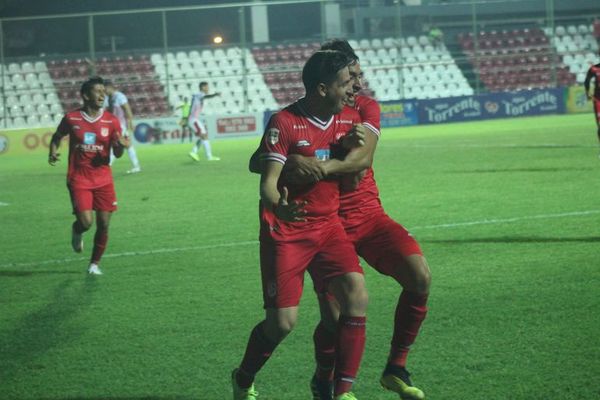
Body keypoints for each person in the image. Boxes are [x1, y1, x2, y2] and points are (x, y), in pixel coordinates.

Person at [250, 39, 431, 400]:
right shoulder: (300, 115)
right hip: (326, 223)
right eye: (352, 75)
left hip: (367, 216)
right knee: (333, 320)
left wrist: (317, 167)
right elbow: (260, 161)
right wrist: (289, 164)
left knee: (420, 276)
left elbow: (361, 161)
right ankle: (324, 380)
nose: (358, 84)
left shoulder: (363, 109)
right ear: (331, 79)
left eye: (358, 75)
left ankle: (395, 367)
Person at [232, 50, 369, 400]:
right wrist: (280, 209)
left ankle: (343, 392)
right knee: (282, 324)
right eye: (345, 83)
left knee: (355, 296)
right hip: (287, 233)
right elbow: (266, 182)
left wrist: (353, 161)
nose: (353, 89)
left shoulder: (348, 120)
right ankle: (243, 377)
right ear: (322, 89)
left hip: (328, 227)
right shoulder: (285, 121)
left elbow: (354, 176)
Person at [48, 76, 130, 275]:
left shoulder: (111, 121)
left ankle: (94, 264)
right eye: (98, 91)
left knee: (103, 224)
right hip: (79, 178)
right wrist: (52, 150)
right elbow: (57, 136)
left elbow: (117, 153)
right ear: (85, 95)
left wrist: (121, 147)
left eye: (104, 91)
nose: (102, 94)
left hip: (103, 178)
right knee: (86, 222)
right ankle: (77, 231)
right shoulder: (72, 118)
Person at [104, 80, 142, 174]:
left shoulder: (119, 96)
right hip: (111, 125)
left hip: (120, 126)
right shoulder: (107, 98)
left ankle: (107, 167)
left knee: (117, 145)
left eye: (105, 89)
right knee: (126, 145)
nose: (104, 91)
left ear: (110, 87)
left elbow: (127, 109)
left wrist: (130, 123)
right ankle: (136, 166)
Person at [188, 81, 220, 161]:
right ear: (203, 87)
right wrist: (215, 94)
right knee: (204, 136)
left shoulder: (197, 96)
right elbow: (207, 96)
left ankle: (194, 152)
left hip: (193, 119)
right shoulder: (199, 94)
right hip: (193, 120)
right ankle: (209, 156)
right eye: (207, 87)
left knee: (203, 136)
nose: (208, 88)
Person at [584, 51, 600, 156]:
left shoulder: (594, 68)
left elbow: (586, 82)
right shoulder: (594, 68)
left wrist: (587, 94)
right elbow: (586, 81)